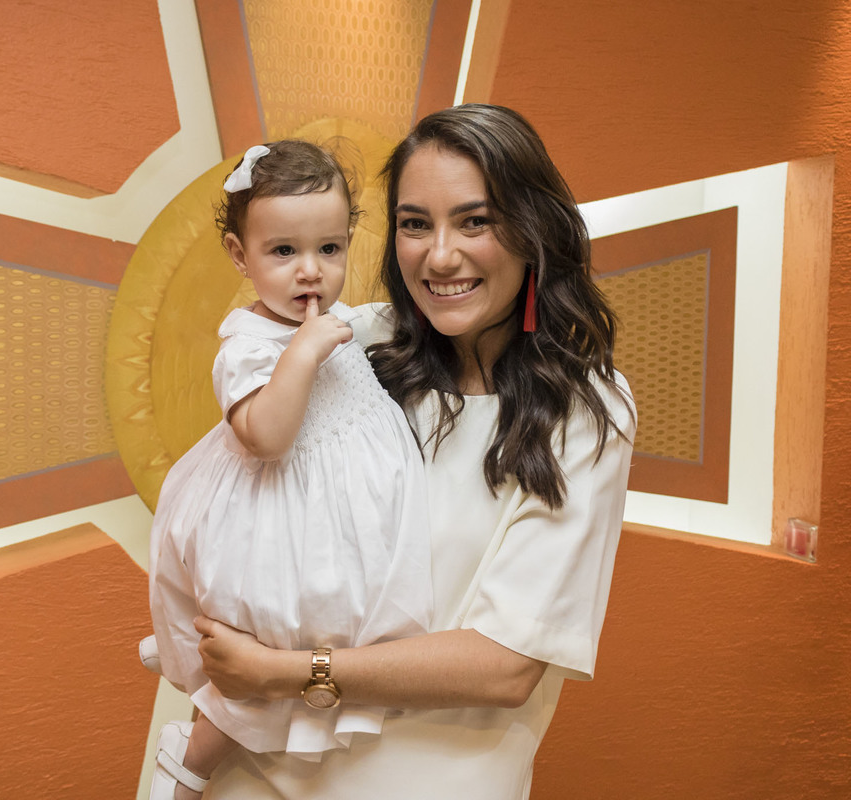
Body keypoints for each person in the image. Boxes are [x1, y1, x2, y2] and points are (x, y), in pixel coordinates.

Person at [192, 104, 637, 799]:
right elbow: (239, 501)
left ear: (533, 228)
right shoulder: (354, 344)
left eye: (475, 221)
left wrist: (284, 670)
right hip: (256, 768)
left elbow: (505, 667)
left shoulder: (584, 412)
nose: (439, 255)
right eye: (414, 223)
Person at [147, 140, 435, 800]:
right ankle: (188, 762)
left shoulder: (336, 321)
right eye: (283, 252)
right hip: (272, 523)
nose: (310, 272)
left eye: (328, 250)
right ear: (238, 254)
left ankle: (293, 750)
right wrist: (300, 354)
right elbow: (267, 437)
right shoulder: (248, 343)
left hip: (332, 522)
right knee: (263, 652)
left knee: (330, 639)